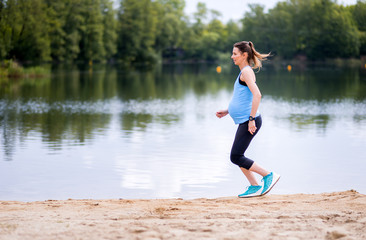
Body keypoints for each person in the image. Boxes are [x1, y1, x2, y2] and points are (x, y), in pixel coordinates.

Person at [216, 41, 280, 198]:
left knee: (236, 156)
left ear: (244, 55)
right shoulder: (243, 72)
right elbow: (242, 97)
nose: (232, 57)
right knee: (238, 155)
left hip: (250, 121)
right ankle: (254, 186)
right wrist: (228, 111)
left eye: (235, 54)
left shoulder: (246, 72)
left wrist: (251, 119)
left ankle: (268, 175)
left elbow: (257, 95)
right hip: (245, 120)